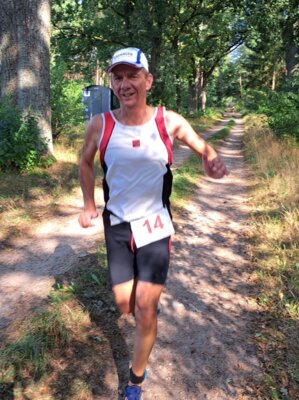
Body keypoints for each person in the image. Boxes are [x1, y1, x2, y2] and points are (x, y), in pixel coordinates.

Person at [78, 47, 229, 400]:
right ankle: (145, 307)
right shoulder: (100, 124)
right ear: (112, 82)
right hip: (116, 225)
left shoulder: (168, 121)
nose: (125, 83)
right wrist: (88, 203)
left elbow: (199, 144)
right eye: (118, 76)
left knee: (145, 309)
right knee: (124, 305)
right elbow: (85, 163)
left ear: (148, 80)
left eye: (133, 76)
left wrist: (209, 157)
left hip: (156, 226)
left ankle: (135, 380)